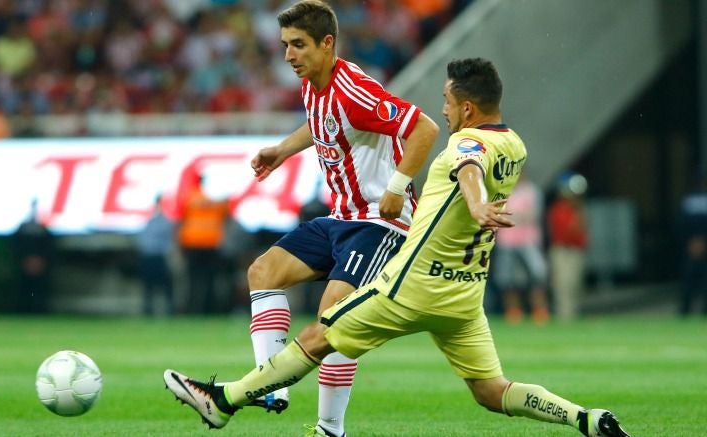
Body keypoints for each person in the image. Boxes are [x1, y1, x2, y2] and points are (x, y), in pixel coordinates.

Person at [163, 58, 631, 437]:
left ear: (467, 108)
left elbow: (467, 167)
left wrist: (476, 202)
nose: (443, 110)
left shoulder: (464, 144)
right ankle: (584, 419)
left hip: (412, 286)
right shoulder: (516, 146)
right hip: (464, 298)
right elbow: (478, 169)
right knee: (492, 391)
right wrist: (481, 205)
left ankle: (224, 402)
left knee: (318, 335)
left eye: (447, 101)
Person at [236, 2, 439, 435]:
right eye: (286, 45)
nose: (289, 55)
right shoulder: (313, 82)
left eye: (299, 45)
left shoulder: (354, 89)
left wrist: (396, 185)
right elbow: (321, 124)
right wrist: (282, 149)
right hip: (339, 218)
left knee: (334, 324)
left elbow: (424, 128)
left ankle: (330, 428)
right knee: (263, 271)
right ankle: (272, 385)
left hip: (380, 224)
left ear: (327, 44)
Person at [491, 172, 550, 325]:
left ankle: (540, 312)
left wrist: (511, 217)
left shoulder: (532, 191)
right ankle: (513, 313)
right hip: (507, 241)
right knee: (506, 279)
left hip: (529, 240)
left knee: (537, 276)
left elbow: (534, 215)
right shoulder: (501, 191)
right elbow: (496, 215)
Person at [178, 174, 230, 314]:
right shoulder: (218, 198)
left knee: (193, 280)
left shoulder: (190, 197)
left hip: (193, 243)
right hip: (211, 243)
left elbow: (181, 218)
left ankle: (192, 310)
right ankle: (208, 309)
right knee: (210, 280)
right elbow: (226, 213)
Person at [547, 172, 589, 321]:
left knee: (575, 285)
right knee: (562, 285)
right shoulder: (558, 209)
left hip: (576, 251)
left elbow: (582, 232)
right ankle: (564, 317)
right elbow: (567, 232)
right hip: (562, 250)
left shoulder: (578, 209)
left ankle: (573, 314)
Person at [10, 199, 56, 314]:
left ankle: (40, 311)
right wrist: (25, 260)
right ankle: (21, 312)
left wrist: (40, 260)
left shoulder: (44, 229)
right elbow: (14, 245)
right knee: (23, 291)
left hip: (41, 267)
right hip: (24, 265)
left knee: (40, 291)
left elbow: (50, 246)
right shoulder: (22, 227)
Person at [136, 194, 176, 316]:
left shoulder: (162, 222)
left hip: (158, 257)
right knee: (149, 286)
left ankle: (169, 310)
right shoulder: (151, 221)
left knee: (163, 286)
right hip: (151, 257)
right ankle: (149, 310)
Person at [678, 178, 707, 316]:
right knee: (690, 280)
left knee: (689, 279)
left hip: (692, 244)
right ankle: (686, 309)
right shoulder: (689, 201)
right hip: (692, 246)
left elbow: (681, 225)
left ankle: (685, 309)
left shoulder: (689, 202)